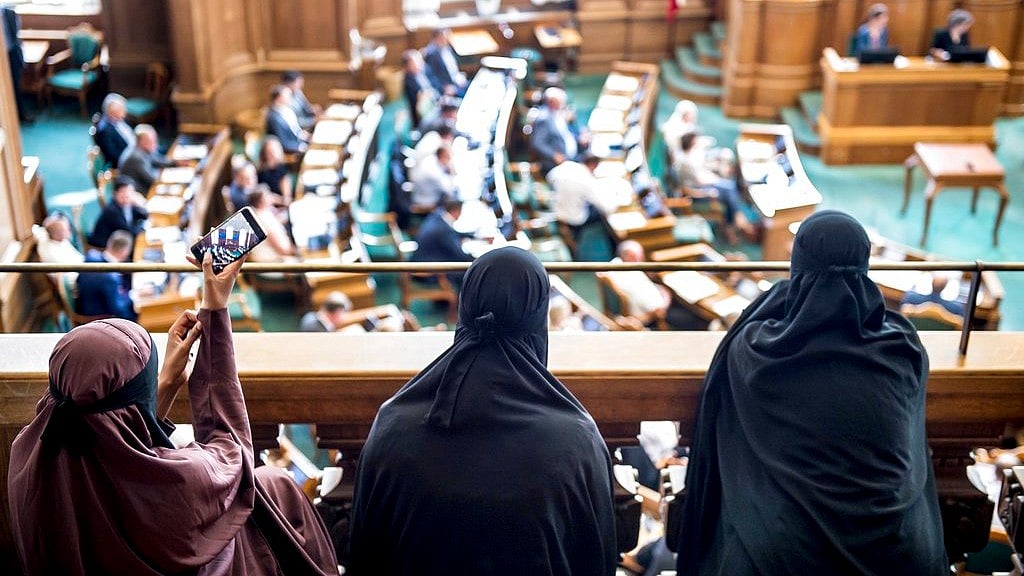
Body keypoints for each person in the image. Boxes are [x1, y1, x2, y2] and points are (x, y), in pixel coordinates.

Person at [9, 250, 339, 574]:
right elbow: (231, 450)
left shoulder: (29, 456)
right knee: (275, 486)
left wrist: (164, 384)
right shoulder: (177, 487)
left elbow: (110, 444)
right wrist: (216, 309)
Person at [676, 210, 947, 575]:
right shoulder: (902, 347)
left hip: (780, 555)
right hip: (896, 553)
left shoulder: (756, 350)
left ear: (797, 264)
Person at [350, 247, 617, 575]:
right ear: (537, 317)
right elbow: (596, 558)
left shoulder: (392, 422)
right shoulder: (576, 438)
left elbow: (364, 552)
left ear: (466, 305)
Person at [607, 240, 709, 330]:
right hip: (652, 320)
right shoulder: (635, 278)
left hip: (635, 309)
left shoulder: (615, 264)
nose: (642, 258)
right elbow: (659, 311)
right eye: (639, 256)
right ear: (631, 257)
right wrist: (667, 295)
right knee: (694, 317)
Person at [676, 131, 752, 241]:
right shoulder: (685, 162)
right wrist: (715, 181)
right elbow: (696, 182)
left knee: (729, 187)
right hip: (695, 194)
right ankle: (734, 224)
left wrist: (715, 179)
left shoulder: (690, 156)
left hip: (700, 186)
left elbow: (700, 173)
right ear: (691, 143)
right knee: (728, 190)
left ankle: (734, 222)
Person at [547, 155, 631, 243]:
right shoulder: (586, 182)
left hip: (557, 209)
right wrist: (616, 197)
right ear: (593, 166)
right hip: (574, 219)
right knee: (602, 216)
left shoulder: (568, 165)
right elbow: (606, 208)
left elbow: (549, 176)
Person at [75, 230, 136, 321]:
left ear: (109, 243)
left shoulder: (91, 256)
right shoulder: (111, 278)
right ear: (125, 252)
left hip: (83, 305)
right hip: (97, 317)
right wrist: (133, 298)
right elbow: (119, 311)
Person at [410, 199, 472, 286]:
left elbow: (453, 233)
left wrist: (473, 236)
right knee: (471, 273)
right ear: (457, 211)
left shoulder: (437, 216)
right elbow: (460, 255)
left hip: (423, 262)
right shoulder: (443, 230)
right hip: (428, 272)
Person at [530, 87, 587, 175]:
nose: (563, 105)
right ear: (552, 102)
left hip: (572, 158)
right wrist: (554, 155)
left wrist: (579, 138)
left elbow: (565, 135)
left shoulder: (558, 115)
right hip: (556, 164)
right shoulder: (544, 118)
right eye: (561, 102)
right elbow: (537, 143)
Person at [88, 176, 148, 248]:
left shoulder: (127, 204)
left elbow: (144, 215)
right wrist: (145, 230)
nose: (127, 195)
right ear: (115, 194)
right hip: (106, 247)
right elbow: (129, 232)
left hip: (121, 242)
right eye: (123, 192)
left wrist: (139, 205)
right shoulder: (112, 211)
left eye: (130, 192)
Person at [118, 124, 175, 191]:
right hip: (140, 192)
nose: (155, 143)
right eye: (152, 141)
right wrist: (163, 172)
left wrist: (174, 162)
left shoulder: (143, 148)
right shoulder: (136, 157)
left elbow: (157, 160)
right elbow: (152, 179)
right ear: (141, 141)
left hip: (147, 186)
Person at [247, 185, 297, 263]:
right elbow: (282, 249)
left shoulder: (259, 212)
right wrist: (297, 251)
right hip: (273, 262)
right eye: (268, 195)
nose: (271, 197)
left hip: (274, 256)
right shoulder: (264, 219)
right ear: (262, 201)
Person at [2, 4, 30, 123]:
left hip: (12, 54)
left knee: (16, 87)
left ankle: (21, 114)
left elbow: (17, 39)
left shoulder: (9, 13)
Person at [409, 143, 458, 210]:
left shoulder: (431, 158)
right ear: (442, 156)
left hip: (422, 193)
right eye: (449, 157)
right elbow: (449, 190)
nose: (449, 160)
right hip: (424, 201)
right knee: (454, 201)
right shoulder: (434, 171)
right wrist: (452, 170)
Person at [94, 93, 136, 167]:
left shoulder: (121, 119)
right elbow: (115, 157)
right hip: (128, 162)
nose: (125, 112)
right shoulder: (105, 132)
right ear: (112, 113)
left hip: (137, 150)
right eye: (122, 110)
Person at [422, 28, 467, 96]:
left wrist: (458, 76)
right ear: (436, 39)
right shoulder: (431, 54)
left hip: (456, 81)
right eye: (443, 38)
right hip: (446, 87)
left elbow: (452, 67)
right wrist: (443, 87)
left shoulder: (447, 47)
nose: (446, 40)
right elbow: (430, 76)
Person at [265, 84, 308, 154]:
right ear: (279, 98)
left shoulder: (287, 110)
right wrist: (302, 146)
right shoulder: (273, 118)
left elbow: (295, 130)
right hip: (289, 149)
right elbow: (283, 143)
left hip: (298, 141)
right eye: (287, 95)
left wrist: (304, 136)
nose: (290, 97)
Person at [402, 49, 438, 128]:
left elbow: (433, 86)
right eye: (415, 62)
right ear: (407, 67)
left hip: (434, 106)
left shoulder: (421, 72)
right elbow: (420, 107)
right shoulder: (409, 82)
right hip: (424, 118)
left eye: (420, 61)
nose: (420, 64)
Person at [661, 100, 699, 168]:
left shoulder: (688, 124)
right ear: (684, 114)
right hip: (678, 157)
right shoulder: (674, 126)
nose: (693, 117)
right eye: (691, 114)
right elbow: (675, 147)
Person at [257, 135, 294, 204]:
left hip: (280, 206)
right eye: (269, 152)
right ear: (264, 153)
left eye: (274, 151)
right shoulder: (260, 171)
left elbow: (287, 200)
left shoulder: (282, 169)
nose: (272, 154)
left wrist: (274, 199)